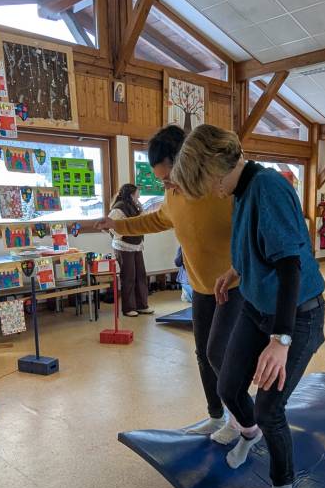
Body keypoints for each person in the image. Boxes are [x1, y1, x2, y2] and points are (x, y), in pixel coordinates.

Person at [172, 125, 325, 488]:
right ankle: (248, 435)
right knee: (228, 384)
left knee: (270, 407)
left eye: (204, 183)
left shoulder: (268, 188)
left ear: (215, 168)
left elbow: (290, 265)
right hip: (257, 308)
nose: (208, 192)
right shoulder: (240, 189)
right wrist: (234, 271)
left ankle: (283, 486)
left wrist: (281, 340)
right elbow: (254, 244)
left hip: (296, 315)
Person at [96, 125, 241, 443]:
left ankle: (240, 420)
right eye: (162, 180)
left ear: (189, 160)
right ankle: (216, 416)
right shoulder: (173, 195)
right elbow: (158, 218)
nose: (167, 185)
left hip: (235, 286)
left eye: (168, 177)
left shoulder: (219, 188)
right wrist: (117, 224)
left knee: (222, 355)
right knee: (203, 353)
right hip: (202, 287)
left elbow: (251, 226)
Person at [108, 183, 153, 318]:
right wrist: (123, 236)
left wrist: (141, 208)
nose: (139, 195)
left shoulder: (135, 206)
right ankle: (128, 308)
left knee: (140, 275)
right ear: (131, 194)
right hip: (123, 246)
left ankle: (142, 305)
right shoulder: (119, 208)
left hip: (136, 245)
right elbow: (111, 227)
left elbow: (143, 221)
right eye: (137, 193)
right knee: (129, 277)